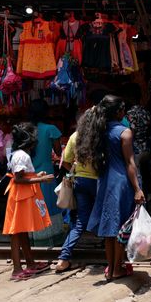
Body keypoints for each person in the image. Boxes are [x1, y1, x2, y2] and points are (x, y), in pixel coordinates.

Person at [80, 95, 145, 281]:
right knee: (121, 227)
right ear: (118, 112)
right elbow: (130, 163)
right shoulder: (125, 133)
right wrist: (138, 188)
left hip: (104, 181)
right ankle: (117, 268)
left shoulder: (98, 130)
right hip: (121, 183)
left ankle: (111, 267)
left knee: (110, 228)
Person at [3, 123, 53, 280]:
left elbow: (23, 175)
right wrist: (41, 179)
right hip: (20, 197)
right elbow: (18, 179)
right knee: (17, 232)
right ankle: (17, 269)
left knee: (21, 231)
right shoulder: (21, 155)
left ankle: (30, 263)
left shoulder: (19, 153)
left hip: (22, 196)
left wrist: (37, 176)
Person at [54, 111, 98, 273]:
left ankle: (63, 258)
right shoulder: (99, 136)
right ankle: (114, 258)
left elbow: (65, 162)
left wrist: (77, 171)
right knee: (105, 215)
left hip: (80, 181)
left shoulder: (74, 136)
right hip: (98, 181)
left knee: (80, 222)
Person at [28, 99, 63, 246]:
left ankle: (35, 239)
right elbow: (58, 151)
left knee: (34, 206)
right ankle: (51, 239)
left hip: (30, 174)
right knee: (49, 204)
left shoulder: (27, 129)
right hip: (46, 172)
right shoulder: (51, 129)